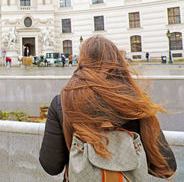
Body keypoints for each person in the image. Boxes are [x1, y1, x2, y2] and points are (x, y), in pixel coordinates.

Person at [39, 35, 176, 180]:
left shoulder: (62, 102)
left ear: (81, 62)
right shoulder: (134, 101)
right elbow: (167, 167)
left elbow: (51, 166)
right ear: (118, 62)